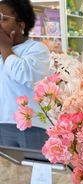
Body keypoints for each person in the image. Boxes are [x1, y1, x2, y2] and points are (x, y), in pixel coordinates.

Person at [0, 0, 50, 149]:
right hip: (2, 122)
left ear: (20, 25)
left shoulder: (36, 49)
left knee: (33, 169)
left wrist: (5, 47)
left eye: (1, 18)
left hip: (31, 126)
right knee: (8, 171)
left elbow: (26, 75)